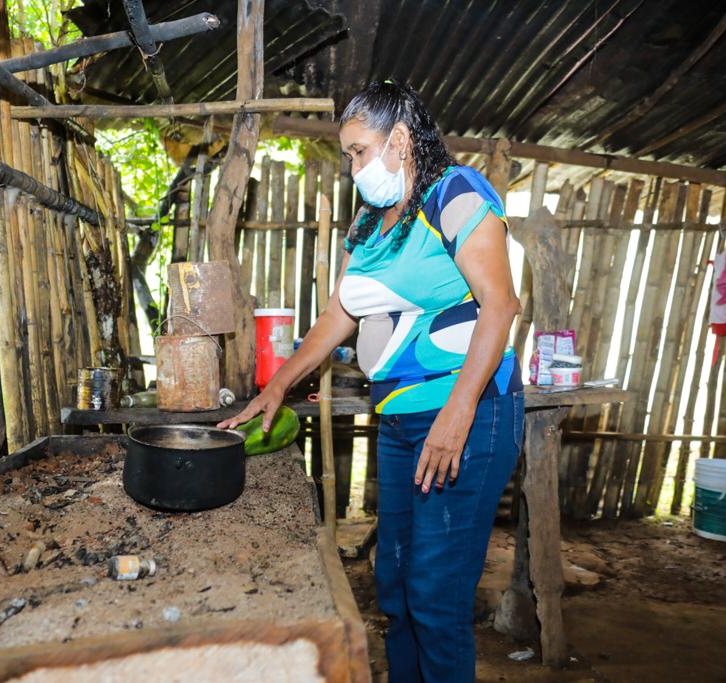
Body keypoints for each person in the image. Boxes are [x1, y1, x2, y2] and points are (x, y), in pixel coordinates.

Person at [219, 80, 524, 683]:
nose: (352, 165)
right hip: (402, 420)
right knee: (396, 586)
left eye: (359, 150)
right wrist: (276, 386)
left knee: (436, 598)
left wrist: (456, 417)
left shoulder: (455, 195)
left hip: (466, 416)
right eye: (348, 154)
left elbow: (500, 305)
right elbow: (339, 315)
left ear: (401, 140)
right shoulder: (371, 222)